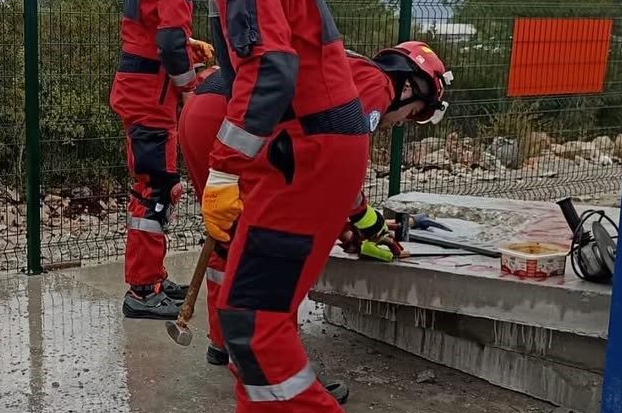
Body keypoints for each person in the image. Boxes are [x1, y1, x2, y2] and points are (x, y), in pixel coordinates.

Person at [112, 0, 373, 413]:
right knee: (238, 302)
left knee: (254, 317)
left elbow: (272, 71)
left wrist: (226, 169)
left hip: (310, 156)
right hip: (297, 153)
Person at [181, 41, 453, 367]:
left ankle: (226, 342)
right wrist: (365, 221)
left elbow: (321, 177)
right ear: (409, 86)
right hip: (235, 122)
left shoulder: (351, 68)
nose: (402, 122)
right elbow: (339, 167)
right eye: (413, 113)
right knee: (273, 247)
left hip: (205, 112)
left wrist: (350, 228)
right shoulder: (376, 85)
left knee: (229, 237)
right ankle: (270, 367)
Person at [112, 0, 211, 320]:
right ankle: (142, 289)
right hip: (150, 96)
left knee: (155, 186)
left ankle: (152, 277)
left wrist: (188, 47)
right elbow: (168, 42)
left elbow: (152, 30)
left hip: (142, 88)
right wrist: (190, 89)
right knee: (156, 190)